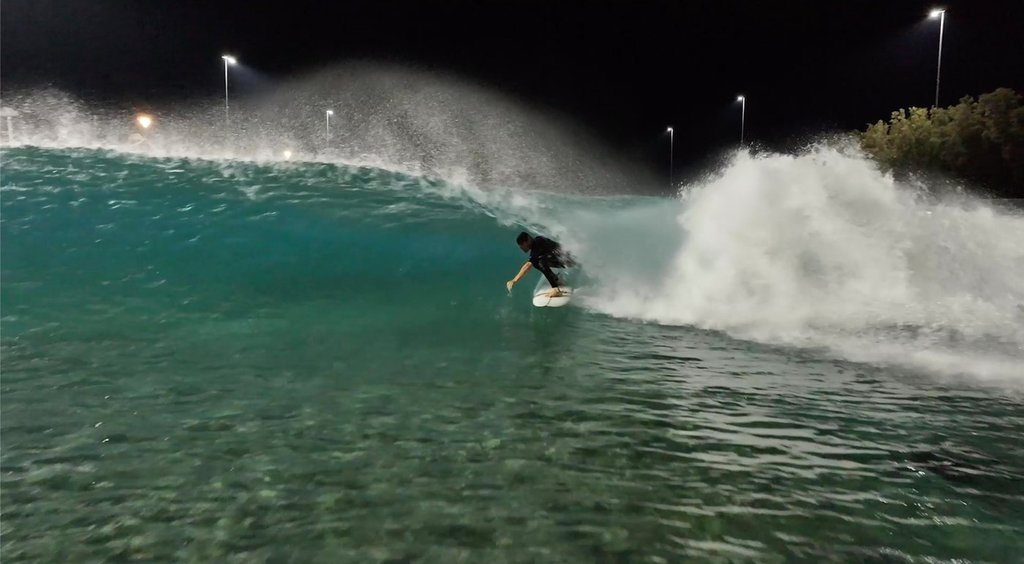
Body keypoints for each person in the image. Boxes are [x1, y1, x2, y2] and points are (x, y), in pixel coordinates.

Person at [506, 231, 574, 297]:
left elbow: (528, 265)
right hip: (565, 259)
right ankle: (556, 280)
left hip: (569, 259)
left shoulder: (538, 242)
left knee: (539, 262)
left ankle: (556, 288)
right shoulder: (538, 243)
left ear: (528, 240)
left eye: (522, 246)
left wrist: (514, 280)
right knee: (536, 262)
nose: (522, 249)